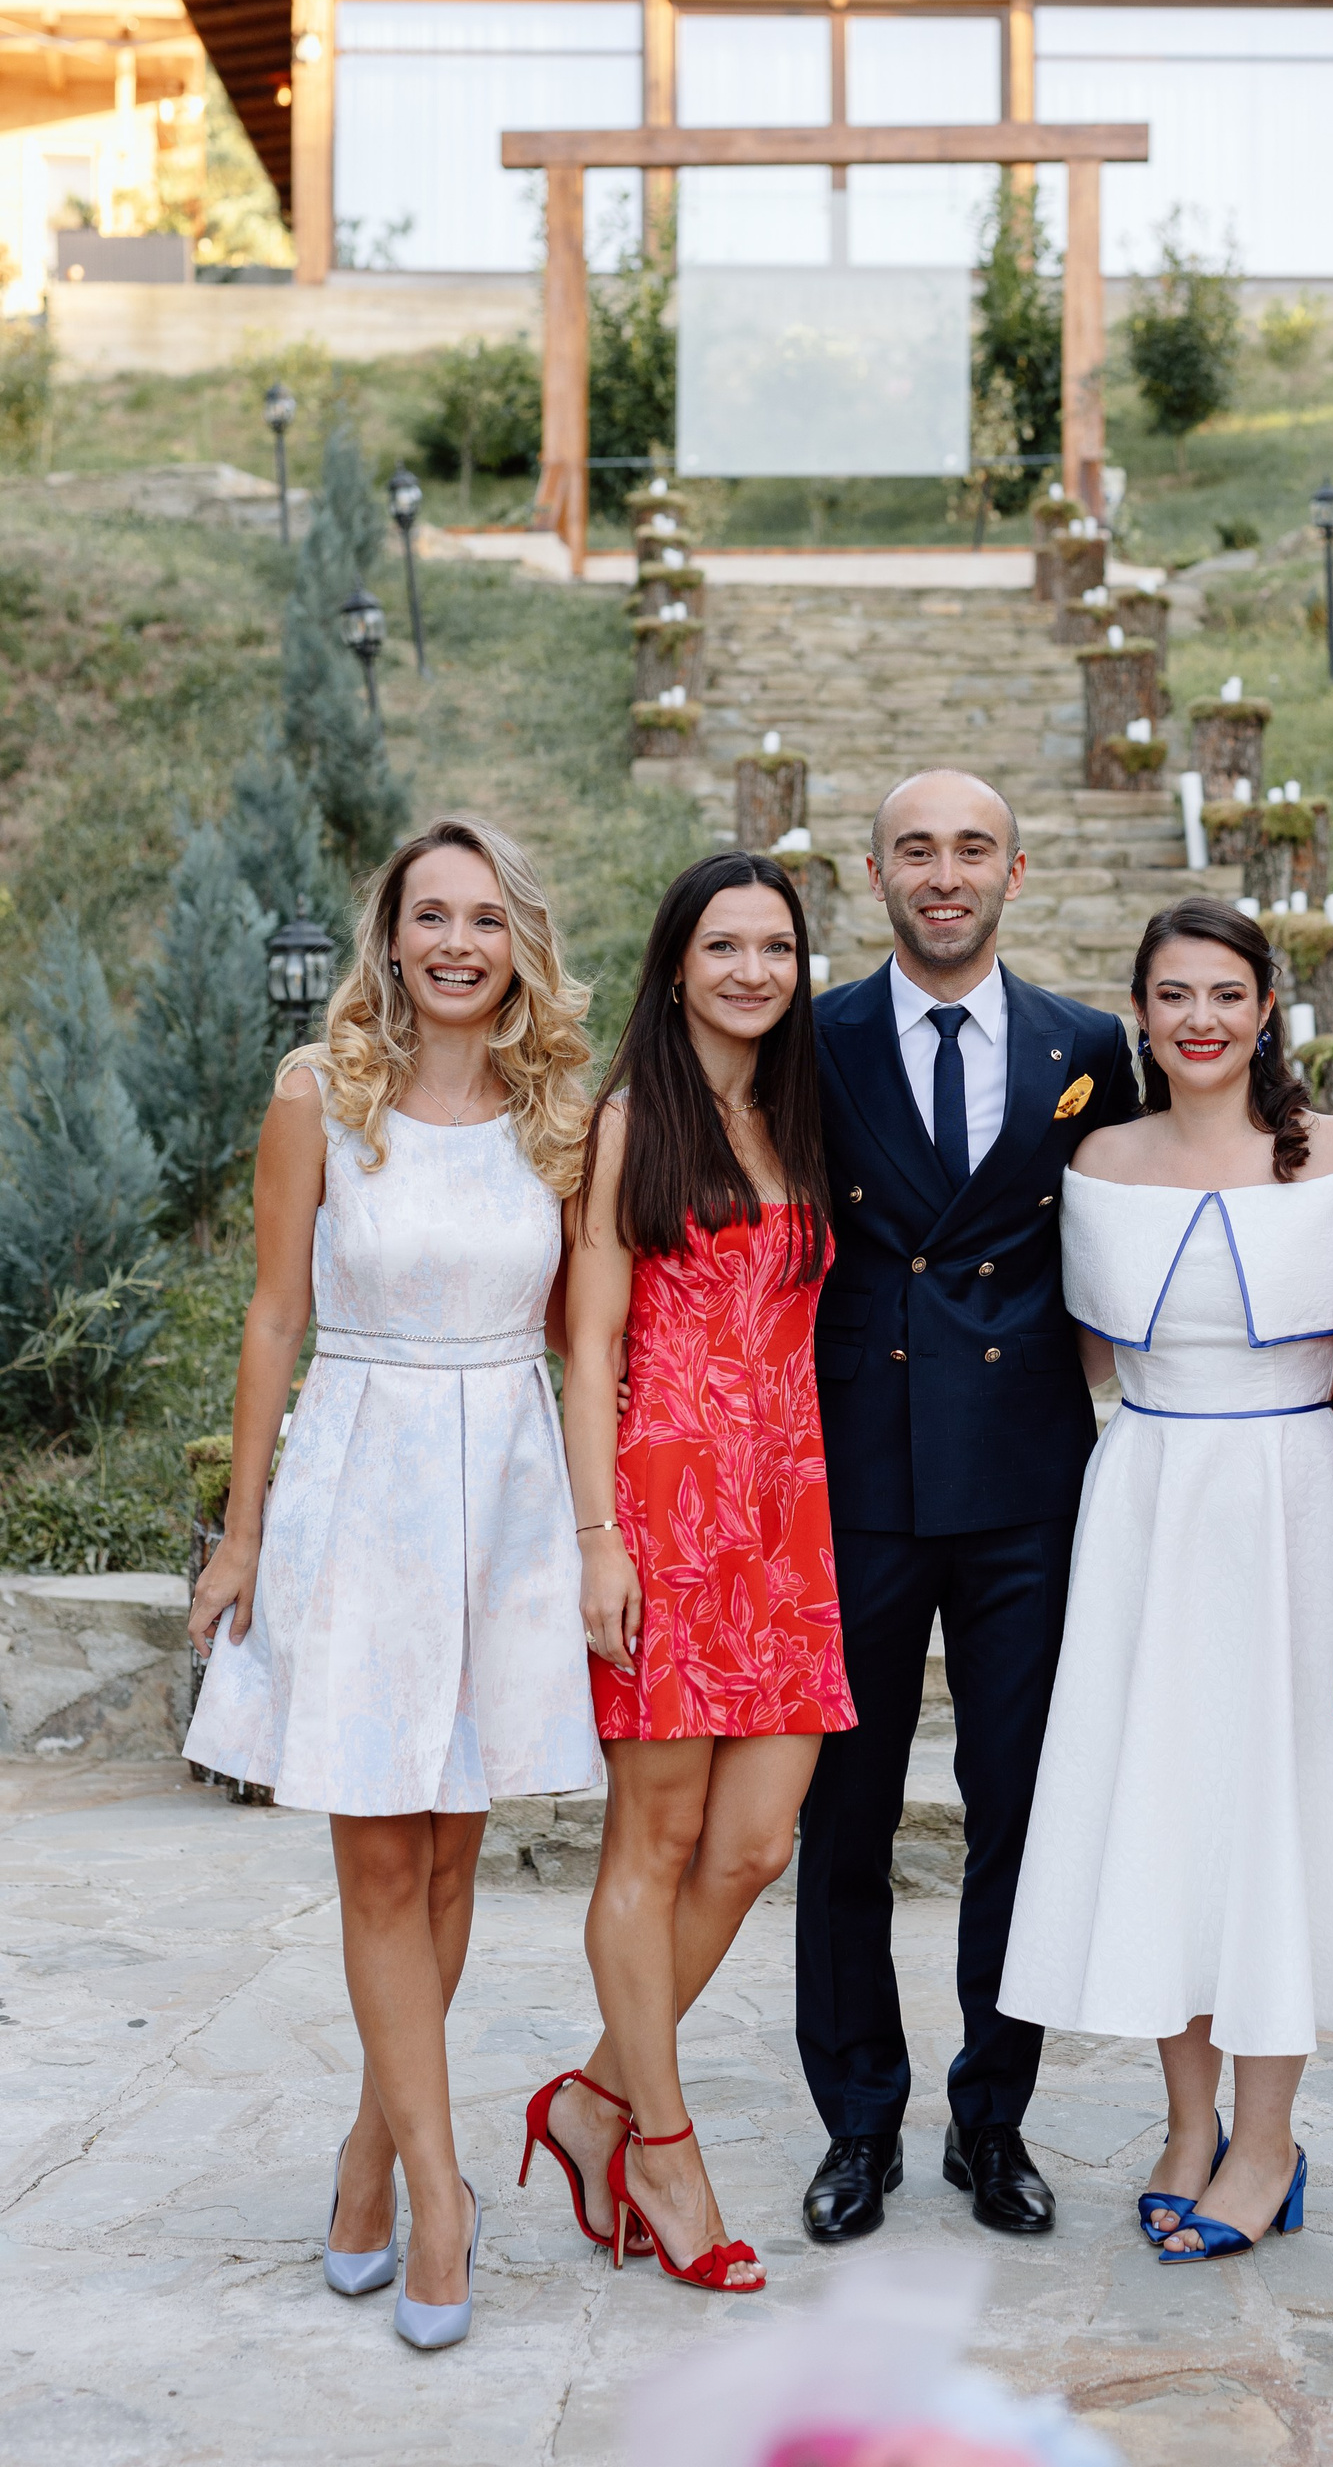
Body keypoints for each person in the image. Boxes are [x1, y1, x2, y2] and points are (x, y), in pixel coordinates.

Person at [185, 817, 601, 2353]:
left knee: (446, 1868)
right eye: (431, 915)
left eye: (484, 919)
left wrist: (608, 1530)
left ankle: (367, 2157)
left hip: (503, 1498)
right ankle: (437, 2194)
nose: (456, 944)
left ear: (518, 942)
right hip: (360, 1486)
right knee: (375, 1862)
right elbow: (271, 1320)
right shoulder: (318, 1095)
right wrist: (242, 1533)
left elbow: (585, 1339)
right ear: (391, 935)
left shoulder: (557, 1114)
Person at [1000, 899, 1333, 2261]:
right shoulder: (1100, 1160)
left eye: (1225, 993)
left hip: (1294, 1504)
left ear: (1267, 1008)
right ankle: (1188, 2125)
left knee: (1276, 1810)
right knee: (1171, 1806)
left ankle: (1267, 2141)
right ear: (1140, 1015)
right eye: (1172, 995)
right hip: (1148, 1499)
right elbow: (1085, 1353)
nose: (1199, 1019)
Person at [794, 769, 1138, 2244]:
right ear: (874, 874)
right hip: (858, 1474)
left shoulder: (1088, 1046)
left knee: (1018, 1811)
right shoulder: (812, 1039)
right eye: (918, 850)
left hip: (1023, 1482)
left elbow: (1133, 1221)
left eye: (973, 849)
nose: (947, 874)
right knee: (846, 1818)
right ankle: (858, 2122)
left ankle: (992, 2121)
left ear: (1017, 869)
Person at [524, 853, 850, 2294]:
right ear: (675, 966)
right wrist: (598, 1537)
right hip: (663, 1516)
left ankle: (593, 2099)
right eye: (724, 946)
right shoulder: (627, 1125)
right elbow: (590, 1342)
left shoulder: (798, 1115)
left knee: (758, 1842)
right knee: (652, 1847)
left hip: (786, 1522)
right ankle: (660, 2148)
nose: (751, 970)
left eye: (776, 947)